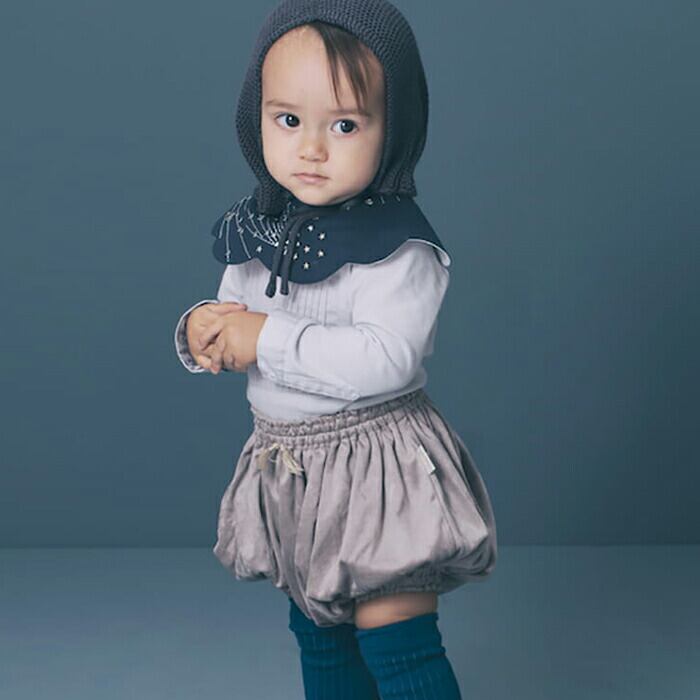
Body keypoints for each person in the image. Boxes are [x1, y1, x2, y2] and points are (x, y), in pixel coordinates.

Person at [173, 1, 498, 697]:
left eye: (344, 125)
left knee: (395, 636)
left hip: (378, 466)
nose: (311, 149)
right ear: (256, 117)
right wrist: (206, 328)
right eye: (288, 120)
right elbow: (236, 313)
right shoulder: (259, 228)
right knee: (320, 633)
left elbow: (387, 359)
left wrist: (266, 337)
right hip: (292, 467)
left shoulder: (398, 248)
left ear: (394, 130)